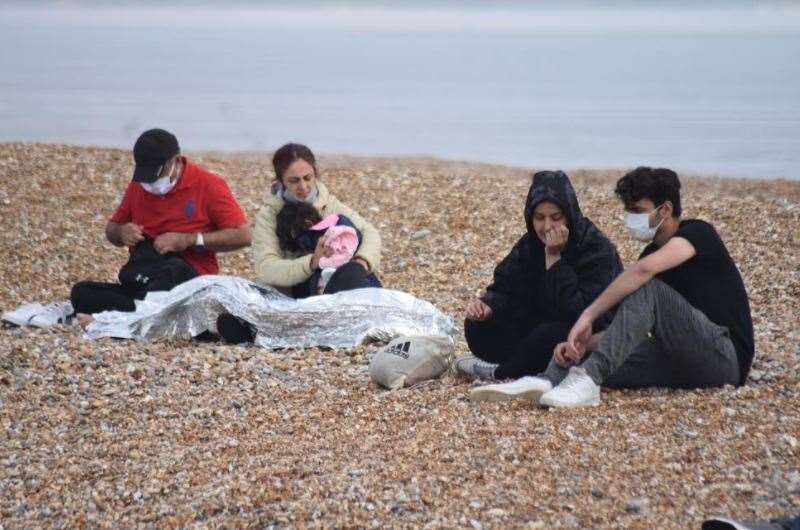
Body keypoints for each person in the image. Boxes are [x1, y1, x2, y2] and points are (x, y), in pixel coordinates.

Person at [472, 167, 754, 407]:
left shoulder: (697, 233)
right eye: (628, 212)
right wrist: (578, 344)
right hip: (681, 358)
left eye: (638, 211)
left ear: (665, 209)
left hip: (724, 356)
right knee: (589, 356)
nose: (632, 219)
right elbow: (626, 326)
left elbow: (643, 273)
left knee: (647, 287)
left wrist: (588, 316)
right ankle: (545, 380)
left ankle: (589, 383)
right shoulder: (648, 258)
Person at [457, 170, 622, 391]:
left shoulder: (596, 248)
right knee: (477, 327)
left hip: (581, 334)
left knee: (549, 335)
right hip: (537, 322)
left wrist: (554, 258)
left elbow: (581, 313)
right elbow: (507, 288)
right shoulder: (530, 244)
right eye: (539, 217)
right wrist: (488, 307)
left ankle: (501, 372)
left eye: (555, 217)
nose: (546, 227)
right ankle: (520, 361)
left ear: (569, 215)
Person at [70, 129, 252, 322]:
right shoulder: (139, 185)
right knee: (81, 293)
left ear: (176, 161)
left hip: (188, 276)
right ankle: (142, 313)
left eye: (157, 174)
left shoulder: (209, 185)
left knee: (173, 271)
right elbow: (112, 229)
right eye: (147, 176)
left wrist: (189, 239)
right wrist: (121, 232)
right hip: (145, 274)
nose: (152, 183)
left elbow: (243, 236)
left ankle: (127, 316)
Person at [216, 142, 382, 343]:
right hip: (290, 289)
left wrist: (361, 262)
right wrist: (313, 261)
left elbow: (370, 233)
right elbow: (266, 267)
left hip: (329, 283)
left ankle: (278, 329)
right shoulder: (269, 215)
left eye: (307, 178)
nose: (303, 187)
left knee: (351, 276)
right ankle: (251, 327)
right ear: (281, 181)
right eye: (294, 181)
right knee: (258, 299)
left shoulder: (329, 203)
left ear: (315, 173)